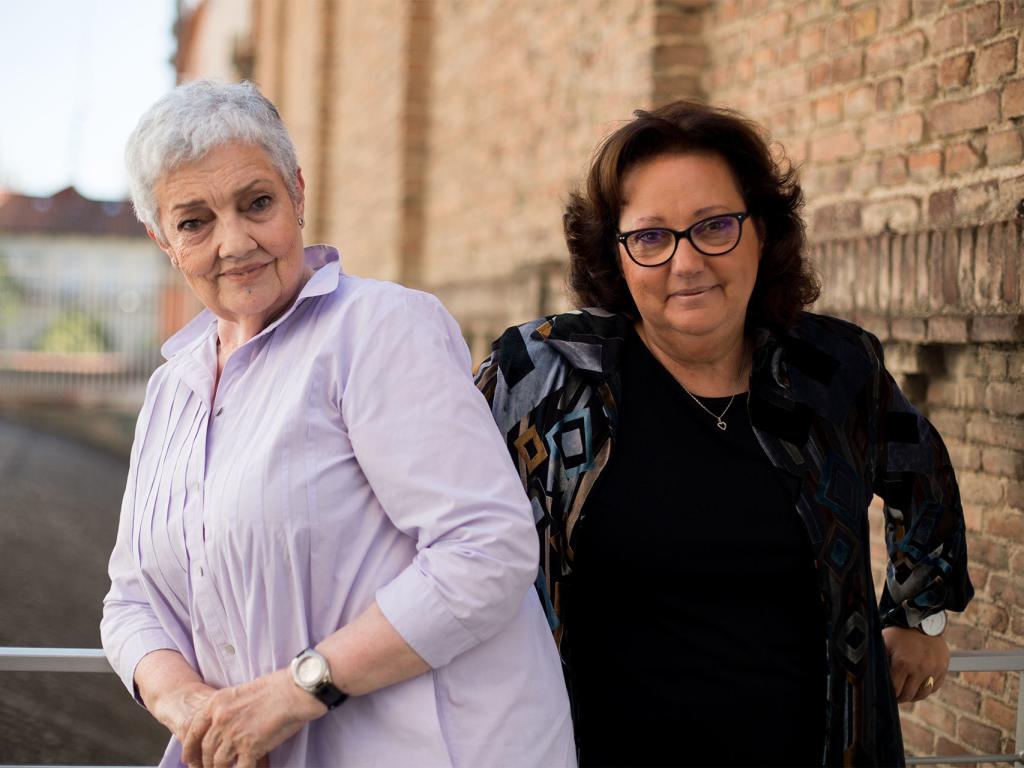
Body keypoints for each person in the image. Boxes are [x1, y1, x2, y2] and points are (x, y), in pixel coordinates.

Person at [476, 100, 973, 767]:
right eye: (650, 237)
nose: (686, 263)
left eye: (714, 226)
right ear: (614, 256)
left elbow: (924, 476)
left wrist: (919, 613)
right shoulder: (545, 375)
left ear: (761, 233)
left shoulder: (831, 371)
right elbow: (426, 504)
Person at [100, 80, 575, 768]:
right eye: (195, 221)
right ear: (162, 240)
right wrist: (196, 710)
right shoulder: (172, 390)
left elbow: (485, 548)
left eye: (257, 202)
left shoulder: (378, 330)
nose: (235, 242)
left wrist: (296, 691)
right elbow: (131, 600)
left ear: (297, 193)